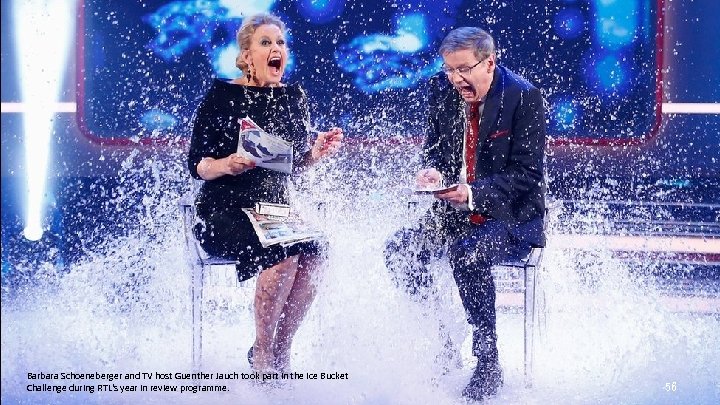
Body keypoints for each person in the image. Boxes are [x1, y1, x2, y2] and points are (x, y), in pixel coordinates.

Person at [384, 27, 546, 401]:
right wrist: (432, 173)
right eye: (449, 70)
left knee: (467, 255)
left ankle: (488, 361)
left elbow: (527, 175)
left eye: (464, 70)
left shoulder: (525, 97)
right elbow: (435, 151)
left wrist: (473, 194)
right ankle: (443, 337)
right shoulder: (442, 91)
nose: (456, 79)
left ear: (489, 63)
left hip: (511, 215)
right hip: (455, 209)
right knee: (399, 250)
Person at [187, 13, 343, 374]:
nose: (276, 49)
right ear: (246, 55)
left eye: (281, 43)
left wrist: (313, 156)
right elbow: (198, 163)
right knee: (284, 251)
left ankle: (281, 351)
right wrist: (227, 163)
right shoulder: (221, 95)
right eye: (266, 42)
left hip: (274, 212)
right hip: (224, 212)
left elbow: (291, 164)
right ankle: (262, 353)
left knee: (317, 250)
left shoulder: (294, 98)